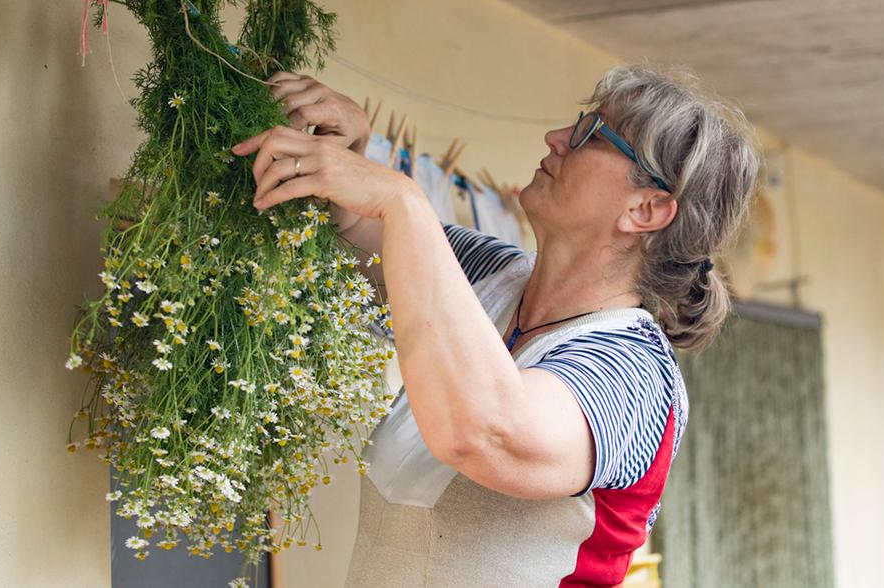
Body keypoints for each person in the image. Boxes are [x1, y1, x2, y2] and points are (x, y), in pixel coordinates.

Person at [231, 64, 760, 587]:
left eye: (591, 135)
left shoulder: (634, 373)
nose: (556, 139)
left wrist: (404, 202)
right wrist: (344, 153)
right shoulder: (493, 274)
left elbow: (486, 432)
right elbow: (352, 242)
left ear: (647, 209)